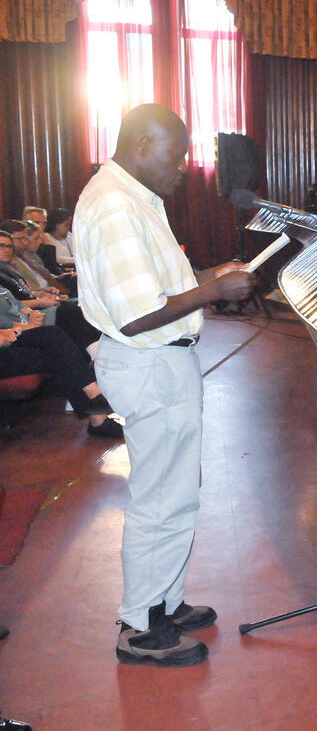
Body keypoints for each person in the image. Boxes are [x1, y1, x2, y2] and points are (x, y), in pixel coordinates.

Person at [74, 103, 255, 667]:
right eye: (176, 155)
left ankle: (165, 602)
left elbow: (161, 285)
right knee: (159, 498)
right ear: (142, 145)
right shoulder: (114, 206)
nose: (183, 166)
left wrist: (210, 276)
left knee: (177, 491)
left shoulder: (138, 198)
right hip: (148, 362)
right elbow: (136, 315)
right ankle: (140, 626)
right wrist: (215, 292)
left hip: (163, 364)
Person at [0, 286, 121, 438]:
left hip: (9, 334)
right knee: (57, 350)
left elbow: (13, 305)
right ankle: (97, 407)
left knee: (54, 337)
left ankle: (95, 400)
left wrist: (28, 317)